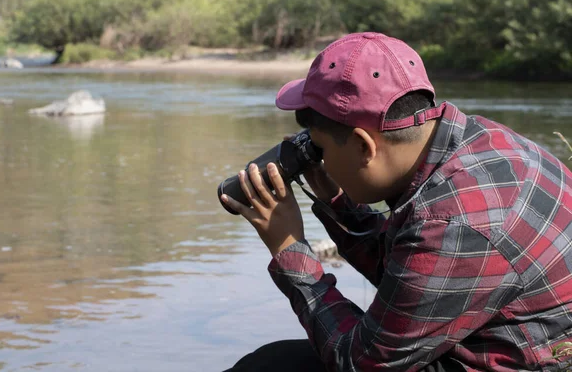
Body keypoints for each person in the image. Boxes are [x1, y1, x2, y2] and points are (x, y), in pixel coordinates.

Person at [219, 32, 572, 371]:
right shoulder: (480, 139)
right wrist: (336, 202)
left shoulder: (452, 224)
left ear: (363, 146)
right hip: (506, 339)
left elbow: (358, 363)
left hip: (517, 360)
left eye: (321, 149)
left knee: (270, 365)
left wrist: (287, 247)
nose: (319, 160)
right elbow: (408, 275)